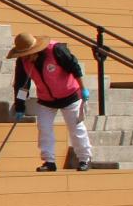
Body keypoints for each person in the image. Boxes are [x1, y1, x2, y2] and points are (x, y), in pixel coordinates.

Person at [9, 33, 93, 173]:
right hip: (46, 99)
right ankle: (49, 161)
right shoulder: (23, 61)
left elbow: (74, 67)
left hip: (70, 95)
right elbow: (21, 85)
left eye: (28, 54)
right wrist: (20, 106)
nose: (26, 57)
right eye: (23, 54)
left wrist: (83, 89)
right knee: (44, 128)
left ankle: (85, 159)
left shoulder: (56, 50)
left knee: (76, 128)